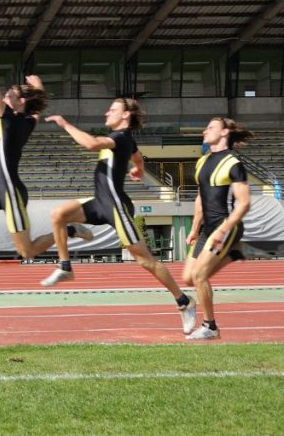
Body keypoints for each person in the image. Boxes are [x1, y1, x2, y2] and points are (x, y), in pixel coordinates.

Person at [41, 98, 196, 327]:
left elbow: (91, 144)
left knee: (146, 261)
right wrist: (139, 168)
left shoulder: (120, 138)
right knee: (58, 215)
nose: (106, 113)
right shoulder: (126, 142)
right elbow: (137, 155)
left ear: (125, 116)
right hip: (99, 202)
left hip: (116, 207)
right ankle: (66, 266)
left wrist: (65, 124)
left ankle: (184, 301)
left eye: (112, 110)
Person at [0, 41, 90, 270]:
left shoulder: (10, 118)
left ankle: (69, 229)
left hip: (11, 192)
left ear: (20, 102)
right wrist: (38, 87)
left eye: (10, 92)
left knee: (26, 251)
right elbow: (37, 109)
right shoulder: (28, 120)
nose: (6, 93)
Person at [181, 117, 253, 340]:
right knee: (188, 278)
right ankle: (234, 254)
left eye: (210, 127)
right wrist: (194, 229)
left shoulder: (233, 163)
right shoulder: (203, 161)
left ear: (224, 133)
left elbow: (244, 202)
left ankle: (210, 326)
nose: (205, 131)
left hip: (224, 226)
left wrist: (226, 228)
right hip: (207, 228)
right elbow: (201, 198)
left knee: (200, 276)